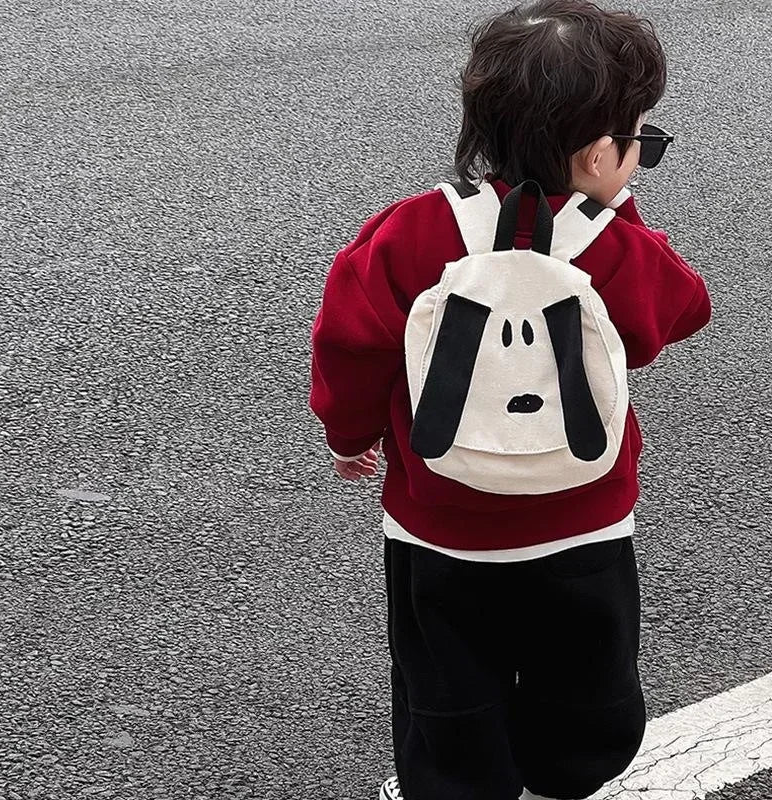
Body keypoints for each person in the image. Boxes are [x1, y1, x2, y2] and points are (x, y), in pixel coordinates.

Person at [308, 1, 712, 799]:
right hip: (584, 515)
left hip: (439, 520)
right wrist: (613, 211)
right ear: (599, 154)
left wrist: (348, 434)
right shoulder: (613, 247)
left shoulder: (412, 231)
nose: (642, 155)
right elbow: (679, 311)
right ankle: (566, 769)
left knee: (446, 676)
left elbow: (350, 341)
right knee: (584, 669)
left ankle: (459, 781)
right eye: (643, 142)